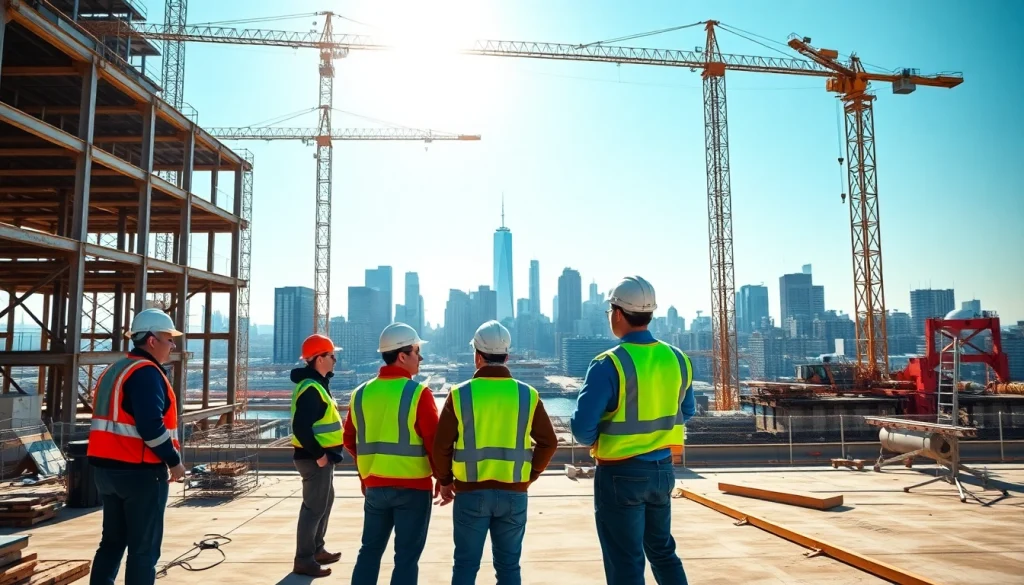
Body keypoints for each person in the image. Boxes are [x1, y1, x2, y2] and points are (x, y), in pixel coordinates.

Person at [570, 276, 695, 585]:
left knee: (625, 561)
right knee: (663, 552)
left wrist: (599, 438)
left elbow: (583, 428)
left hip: (620, 476)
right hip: (663, 471)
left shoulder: (608, 363)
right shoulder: (678, 359)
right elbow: (687, 410)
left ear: (618, 313)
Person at [434, 320, 559, 585]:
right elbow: (549, 442)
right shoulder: (527, 394)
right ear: (507, 357)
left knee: (466, 566)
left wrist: (445, 481)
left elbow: (441, 445)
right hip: (514, 493)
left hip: (470, 493)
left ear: (477, 356)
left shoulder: (459, 395)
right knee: (509, 567)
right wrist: (529, 475)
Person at [87, 308, 187, 585]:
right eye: (169, 339)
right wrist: (174, 461)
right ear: (152, 340)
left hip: (106, 471)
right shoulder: (146, 373)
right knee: (144, 550)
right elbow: (150, 426)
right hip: (140, 472)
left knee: (112, 543)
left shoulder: (115, 369)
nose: (173, 345)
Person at [346, 323, 440, 585]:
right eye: (417, 351)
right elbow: (434, 442)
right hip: (413, 488)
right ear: (402, 355)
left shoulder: (360, 393)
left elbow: (349, 440)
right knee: (407, 557)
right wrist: (443, 478)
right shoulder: (418, 393)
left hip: (375, 487)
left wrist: (367, 472)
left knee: (369, 551)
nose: (420, 358)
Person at [290, 333, 345, 577]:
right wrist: (320, 455)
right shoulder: (312, 389)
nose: (335, 360)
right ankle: (304, 559)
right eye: (332, 356)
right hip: (314, 460)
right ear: (319, 358)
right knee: (313, 509)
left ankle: (316, 550)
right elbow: (300, 428)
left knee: (323, 504)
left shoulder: (318, 384)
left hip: (321, 459)